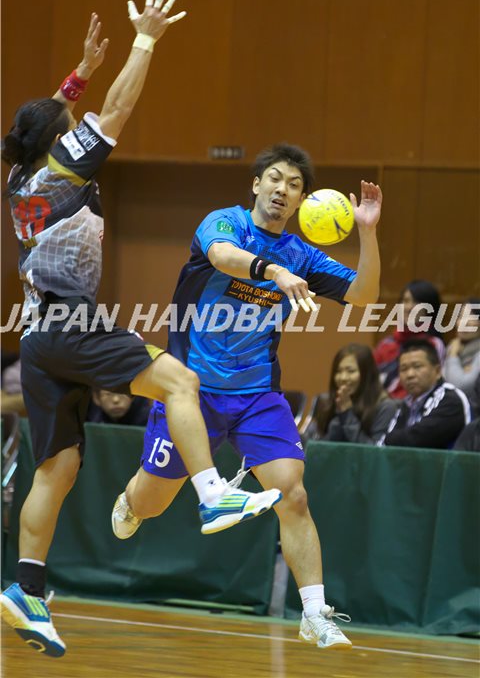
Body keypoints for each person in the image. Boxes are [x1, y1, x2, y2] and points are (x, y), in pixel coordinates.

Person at [0, 0, 280, 659]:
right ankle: (212, 494)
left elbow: (46, 118)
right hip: (73, 325)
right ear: (60, 141)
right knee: (182, 382)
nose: (78, 120)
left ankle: (26, 590)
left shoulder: (21, 177)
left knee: (57, 468)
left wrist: (79, 73)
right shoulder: (63, 166)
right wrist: (145, 40)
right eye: (70, 120)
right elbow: (118, 110)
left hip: (36, 340)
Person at [112, 143, 383, 649]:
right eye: (275, 178)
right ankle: (130, 499)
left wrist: (366, 233)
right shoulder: (225, 223)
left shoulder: (302, 254)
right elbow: (222, 257)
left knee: (293, 494)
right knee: (151, 502)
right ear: (256, 184)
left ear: (302, 201)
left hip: (257, 393)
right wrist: (274, 272)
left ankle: (313, 613)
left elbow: (363, 296)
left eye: (294, 185)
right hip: (191, 390)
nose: (283, 189)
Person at [378, 339, 471, 448]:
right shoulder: (406, 404)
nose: (410, 374)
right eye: (404, 369)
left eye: (417, 366)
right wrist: (389, 439)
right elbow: (383, 444)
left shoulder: (450, 399)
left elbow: (417, 439)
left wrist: (389, 439)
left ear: (437, 371)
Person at [304, 343, 398, 444]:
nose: (343, 378)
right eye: (338, 371)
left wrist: (346, 414)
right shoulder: (327, 402)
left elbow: (375, 451)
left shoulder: (386, 407)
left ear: (367, 373)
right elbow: (312, 444)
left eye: (351, 371)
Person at [374, 279, 446, 399]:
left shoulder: (433, 344)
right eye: (405, 301)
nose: (409, 307)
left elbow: (432, 385)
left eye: (417, 302)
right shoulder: (385, 345)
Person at [444, 299, 480, 413]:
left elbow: (459, 387)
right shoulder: (452, 347)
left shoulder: (453, 351)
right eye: (461, 317)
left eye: (472, 317)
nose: (465, 322)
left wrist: (453, 356)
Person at [86, 389, 152, 426]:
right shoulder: (90, 419)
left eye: (122, 393)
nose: (116, 399)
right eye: (108, 394)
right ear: (96, 398)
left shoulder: (150, 420)